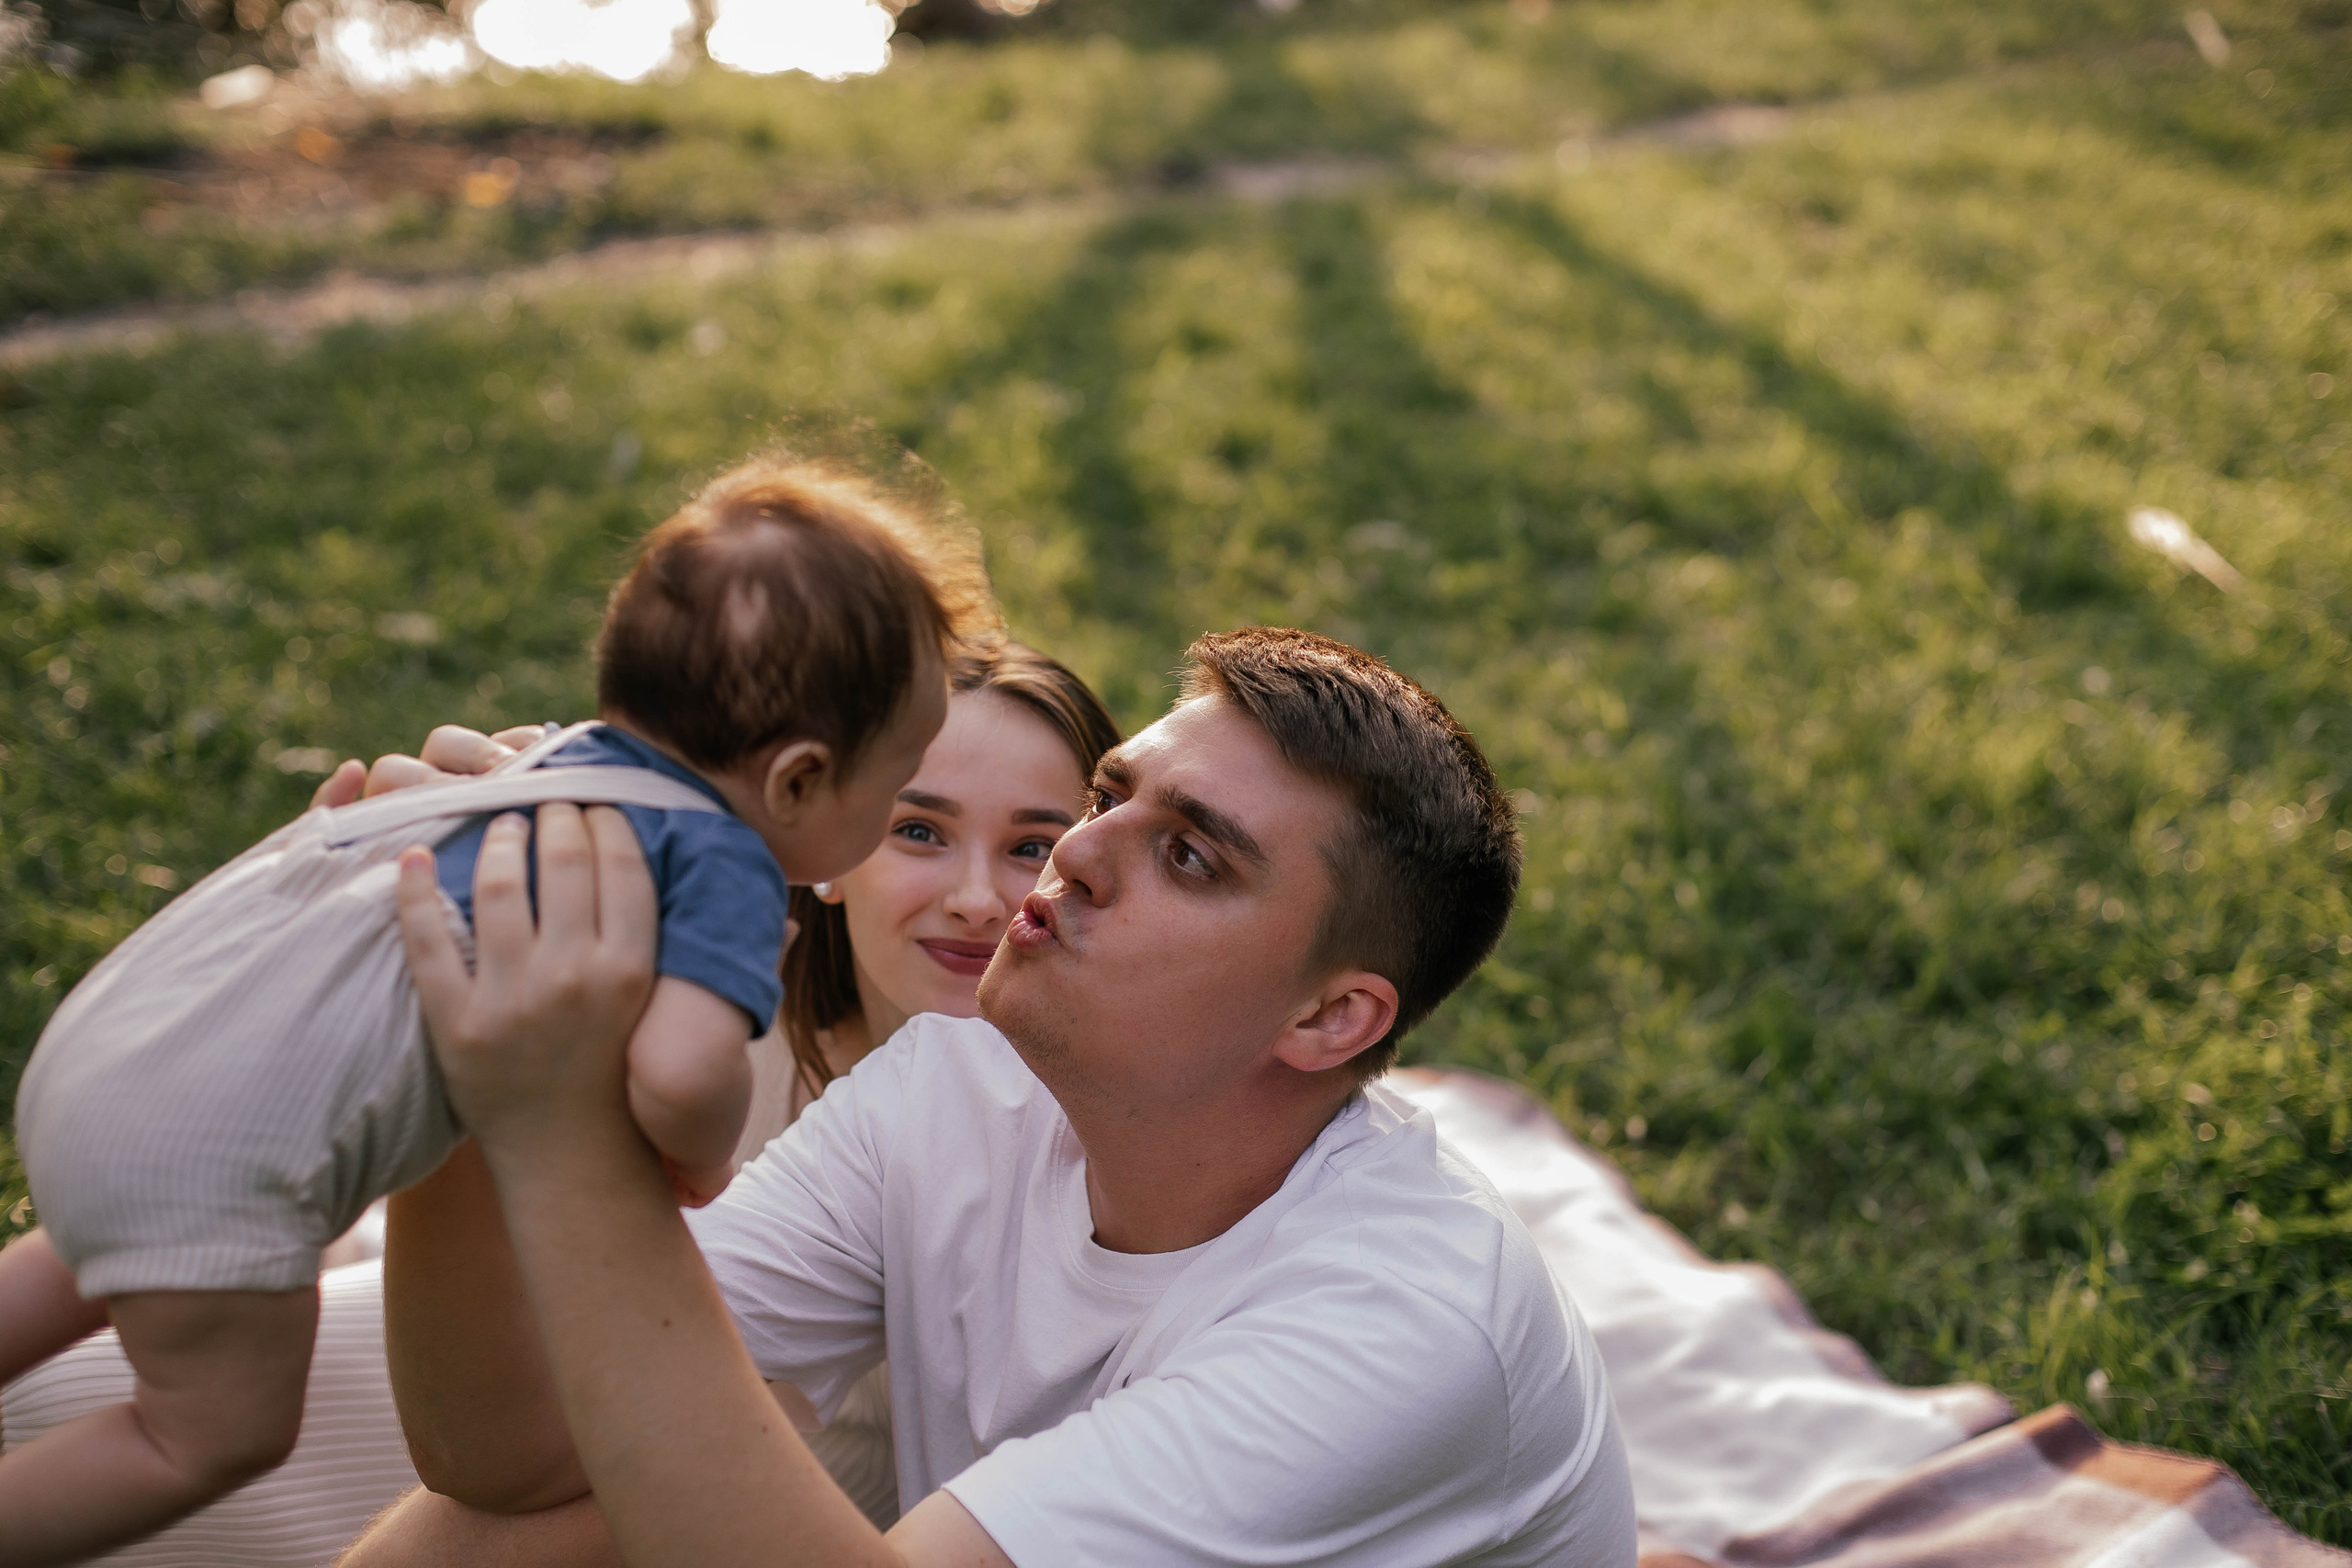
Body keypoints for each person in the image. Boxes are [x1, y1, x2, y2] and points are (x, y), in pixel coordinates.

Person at [345, 626, 1636, 1567]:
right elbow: (503, 1450)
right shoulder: (952, 1079)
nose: (1073, 853)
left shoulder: (1400, 1323)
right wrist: (446, 1037)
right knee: (568, 1502)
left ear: (1328, 1017)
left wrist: (554, 1125)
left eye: (1186, 854)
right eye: (1107, 796)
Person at [0, 454, 991, 1566]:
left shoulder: (555, 768)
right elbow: (677, 1076)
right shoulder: (723, 861)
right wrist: (698, 1152)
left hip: (110, 1055)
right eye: (900, 790)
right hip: (230, 1169)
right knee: (203, 1434)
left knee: (76, 1263)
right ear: (801, 781)